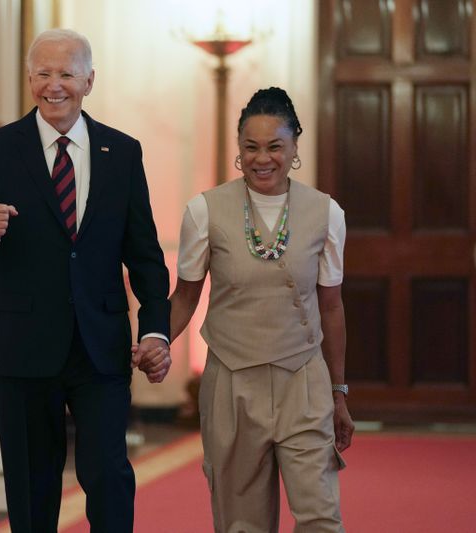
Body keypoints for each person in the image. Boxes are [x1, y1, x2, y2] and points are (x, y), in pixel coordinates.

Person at [0, 29, 171, 533]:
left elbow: (146, 257)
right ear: (29, 79)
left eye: (66, 74)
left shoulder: (123, 152)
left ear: (89, 80)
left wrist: (155, 331)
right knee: (32, 488)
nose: (55, 86)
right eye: (43, 74)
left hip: (100, 347)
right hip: (21, 352)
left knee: (109, 475)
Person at [169, 87, 355, 532]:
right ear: (238, 149)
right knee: (242, 523)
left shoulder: (326, 213)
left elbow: (331, 306)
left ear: (294, 147)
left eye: (275, 146)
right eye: (250, 147)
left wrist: (339, 392)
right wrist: (153, 341)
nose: (262, 158)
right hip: (233, 383)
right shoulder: (204, 211)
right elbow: (185, 296)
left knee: (321, 517)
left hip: (304, 381)